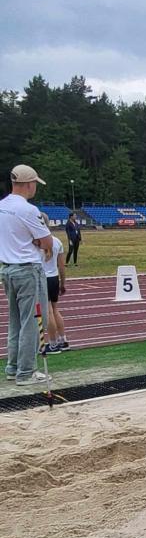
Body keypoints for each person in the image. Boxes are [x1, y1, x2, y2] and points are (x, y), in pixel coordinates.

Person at [0, 164, 53, 385]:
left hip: (7, 268)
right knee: (33, 321)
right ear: (29, 184)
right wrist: (37, 241)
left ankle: (13, 367)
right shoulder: (28, 210)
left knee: (15, 321)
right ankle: (26, 372)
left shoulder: (2, 206)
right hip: (28, 269)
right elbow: (47, 242)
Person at [40, 214, 69, 351]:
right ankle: (63, 339)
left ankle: (52, 343)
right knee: (55, 309)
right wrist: (62, 283)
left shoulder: (35, 243)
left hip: (42, 278)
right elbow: (62, 266)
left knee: (48, 312)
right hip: (54, 278)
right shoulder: (57, 241)